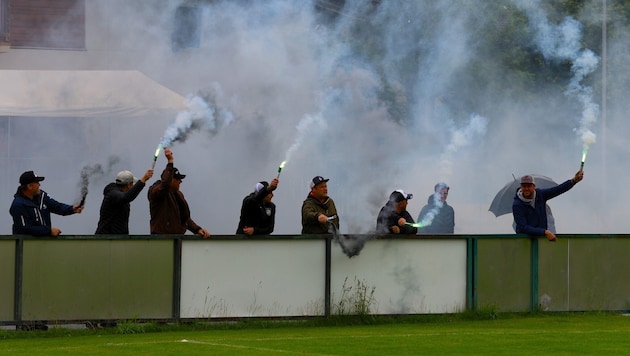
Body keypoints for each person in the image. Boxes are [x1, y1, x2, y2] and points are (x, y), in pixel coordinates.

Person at [147, 148, 210, 238]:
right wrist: (170, 161)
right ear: (170, 179)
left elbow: (185, 218)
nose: (180, 181)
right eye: (178, 179)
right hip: (161, 240)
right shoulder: (155, 192)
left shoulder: (178, 194)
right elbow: (164, 186)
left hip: (178, 240)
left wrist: (198, 229)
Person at [512, 171, 584, 242]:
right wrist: (545, 232)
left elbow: (557, 190)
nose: (526, 189)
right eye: (524, 186)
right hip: (524, 241)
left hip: (541, 239)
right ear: (521, 186)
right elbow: (523, 227)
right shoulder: (517, 205)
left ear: (534, 186)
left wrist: (573, 181)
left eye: (529, 186)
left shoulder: (540, 195)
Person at [10, 170, 83, 237]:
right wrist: (49, 231)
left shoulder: (42, 196)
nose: (39, 185)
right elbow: (25, 229)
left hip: (45, 243)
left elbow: (57, 207)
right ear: (30, 186)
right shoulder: (18, 205)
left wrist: (72, 209)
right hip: (26, 246)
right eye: (37, 183)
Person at [95, 169, 154, 234]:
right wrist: (144, 179)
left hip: (116, 239)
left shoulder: (114, 193)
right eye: (132, 185)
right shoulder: (113, 194)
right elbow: (126, 197)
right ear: (129, 185)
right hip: (107, 239)